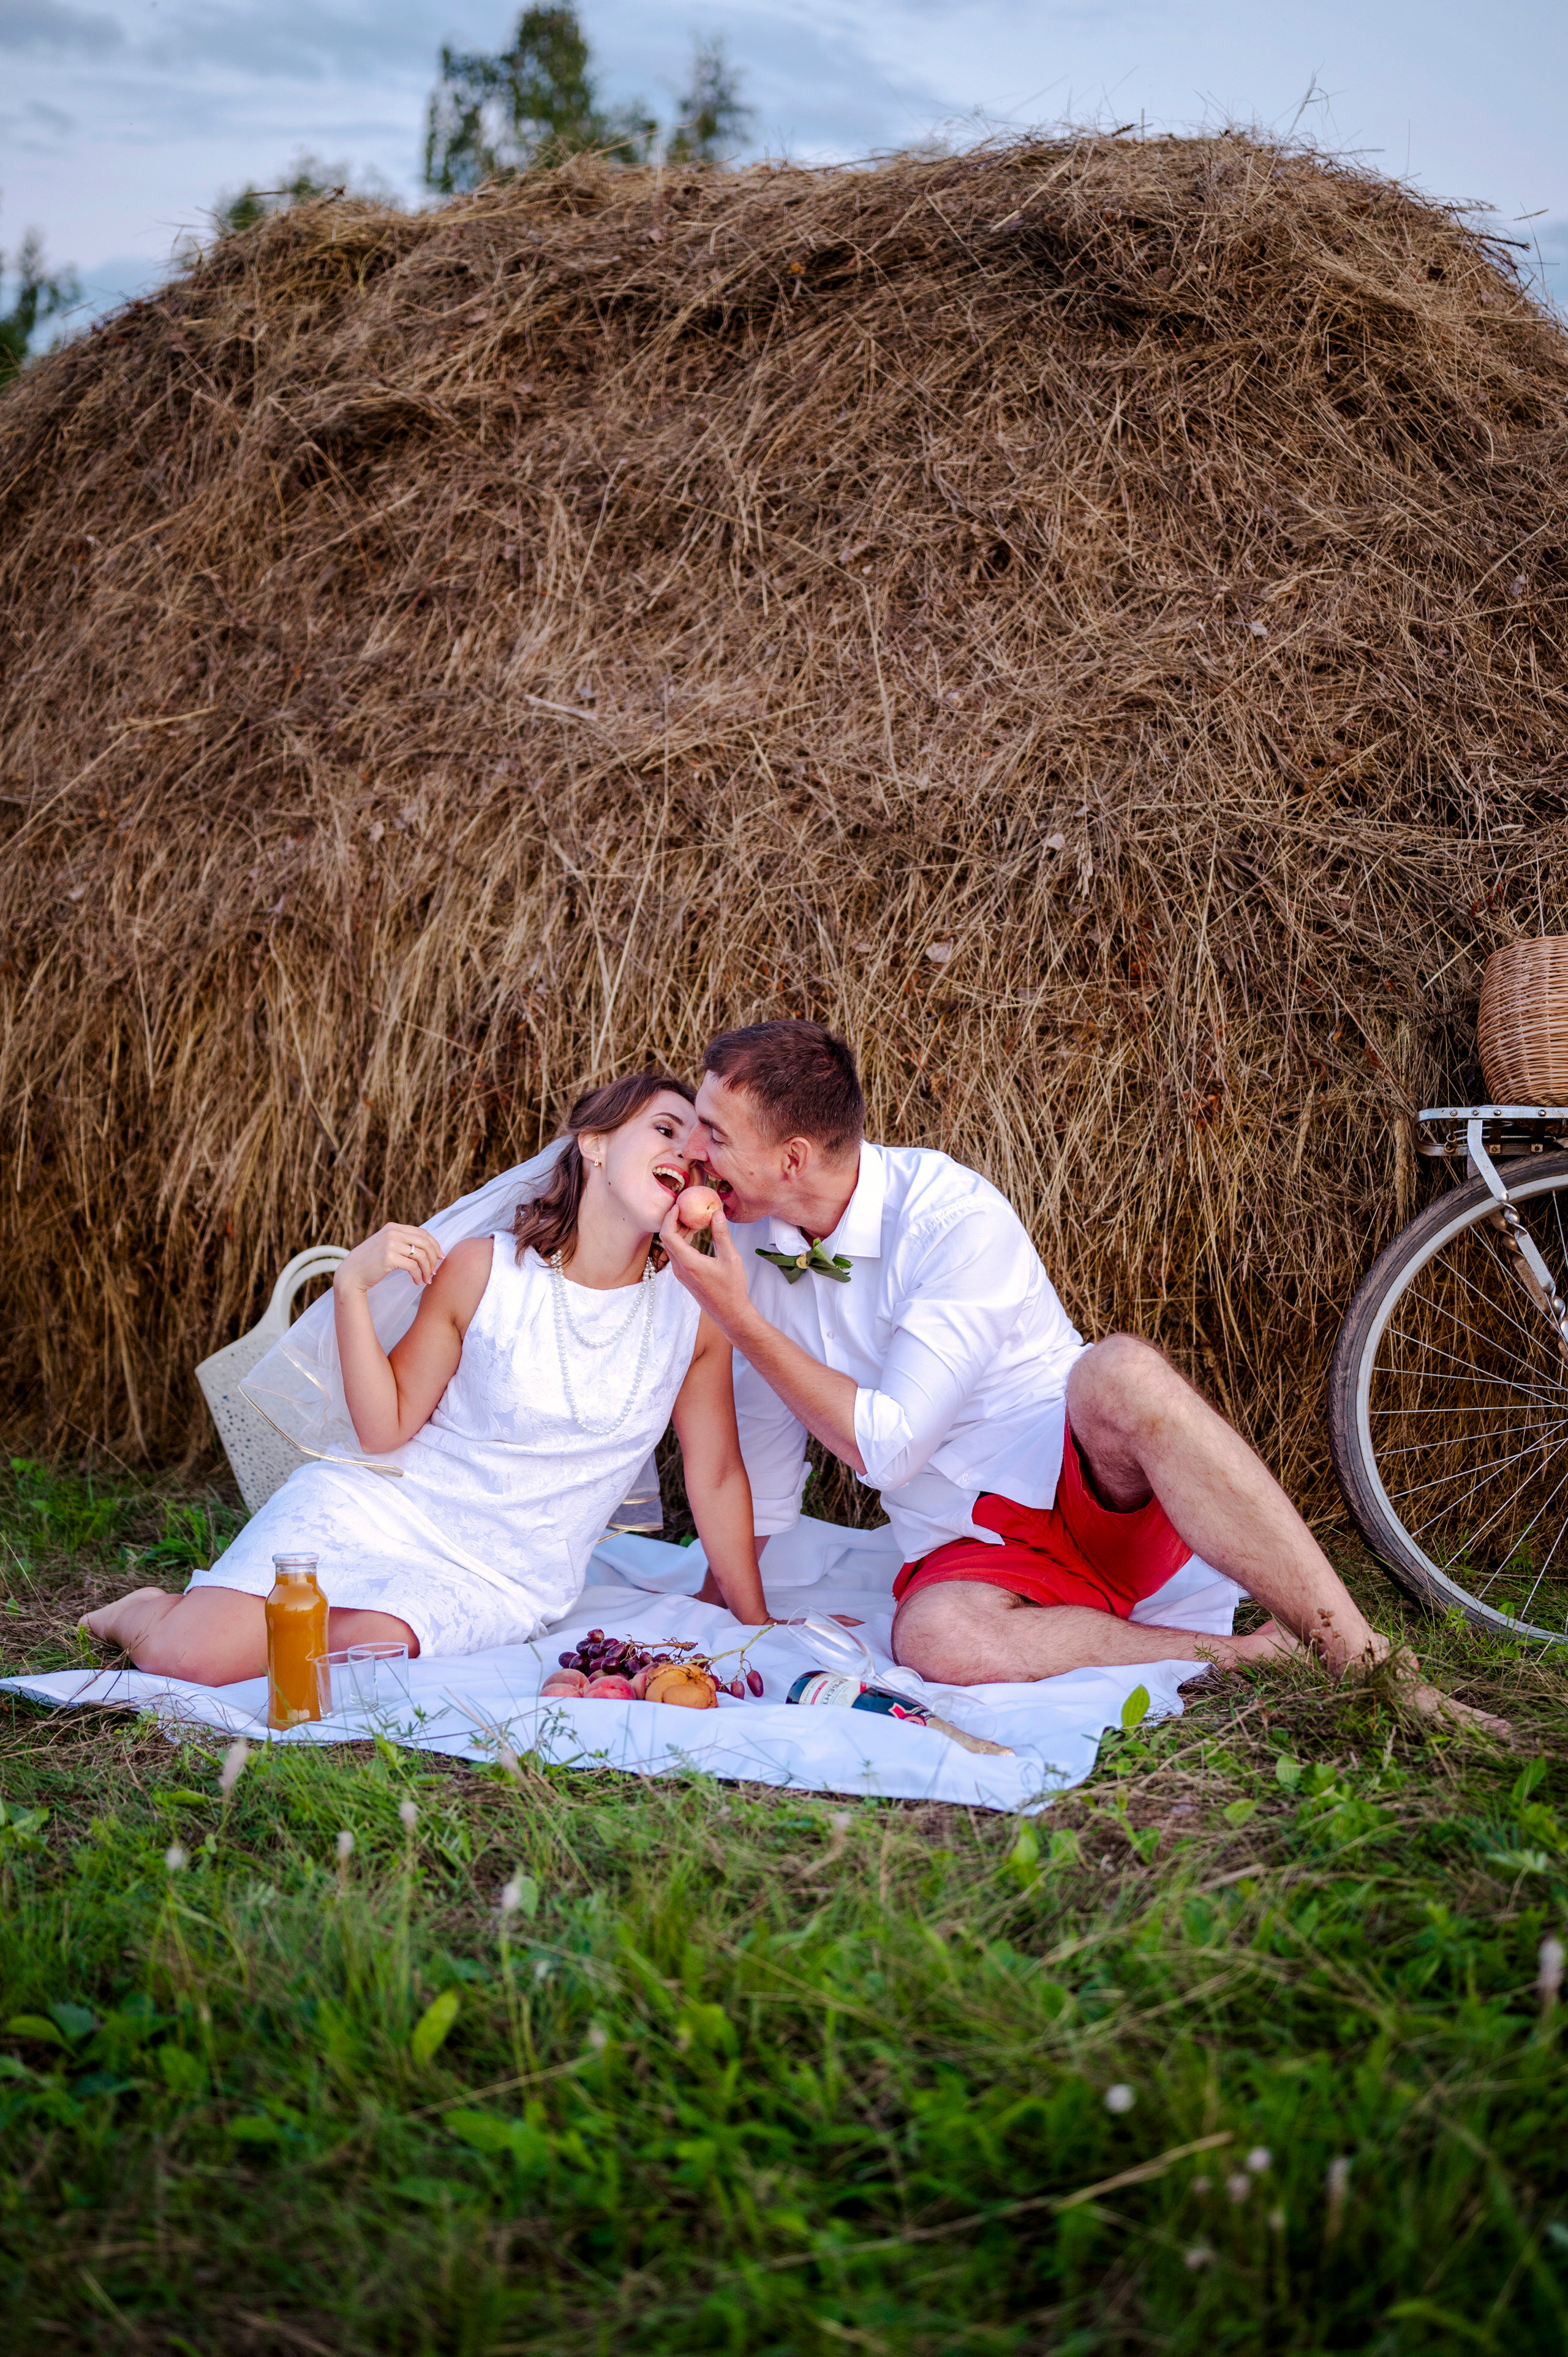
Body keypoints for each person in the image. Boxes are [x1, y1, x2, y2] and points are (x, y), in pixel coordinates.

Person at [657, 1020, 1506, 1733]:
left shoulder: (951, 1216)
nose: (695, 1152)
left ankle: (1369, 1661)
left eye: (716, 1134)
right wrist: (731, 1610)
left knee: (1123, 1370)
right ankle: (1234, 1655)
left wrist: (738, 1317)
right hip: (970, 1552)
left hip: (1085, 1493)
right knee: (933, 1639)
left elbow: (891, 1445)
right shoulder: (754, 1248)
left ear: (794, 1157)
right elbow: (763, 1444)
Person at [83, 1072, 767, 1682]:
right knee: (190, 1660)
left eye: (698, 1154)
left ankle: (212, 1617)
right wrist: (351, 1287)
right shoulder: (485, 1270)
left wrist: (756, 1621)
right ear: (594, 1143)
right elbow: (385, 1430)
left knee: (345, 1654)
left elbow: (715, 1477)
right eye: (665, 1128)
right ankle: (144, 1613)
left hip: (501, 1577)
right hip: (386, 1506)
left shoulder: (693, 1313)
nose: (685, 1153)